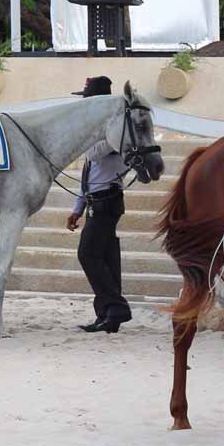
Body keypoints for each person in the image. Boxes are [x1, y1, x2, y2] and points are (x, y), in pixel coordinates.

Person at [65, 76, 133, 333]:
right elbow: (88, 176)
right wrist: (77, 208)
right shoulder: (101, 131)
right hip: (97, 200)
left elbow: (94, 154)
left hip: (107, 200)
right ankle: (108, 314)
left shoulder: (115, 132)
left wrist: (89, 134)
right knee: (105, 257)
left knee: (88, 254)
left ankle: (117, 307)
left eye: (88, 100)